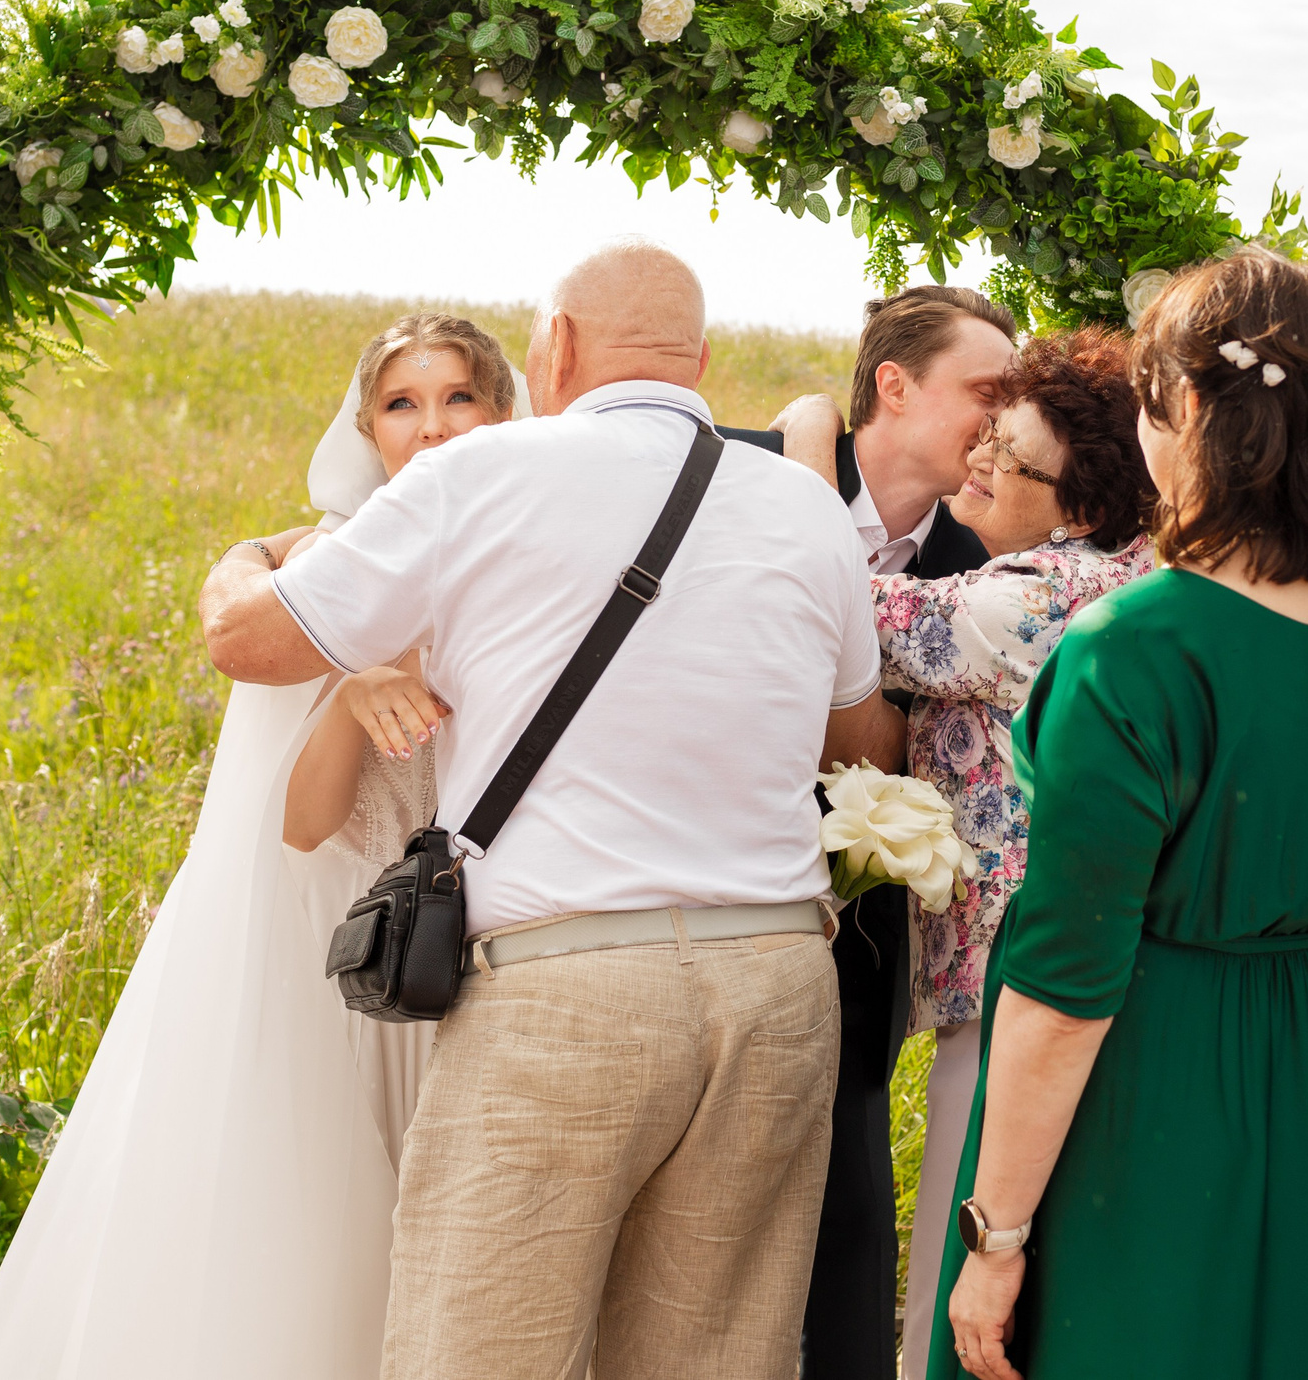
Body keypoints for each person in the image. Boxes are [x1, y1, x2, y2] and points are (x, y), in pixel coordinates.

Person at [200, 241, 889, 1380]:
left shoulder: (482, 475)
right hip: (778, 984)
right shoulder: (804, 509)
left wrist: (242, 557)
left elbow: (250, 643)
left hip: (569, 993)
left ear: (555, 348)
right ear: (701, 361)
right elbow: (859, 740)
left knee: (480, 1355)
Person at [929, 250, 1308, 1380]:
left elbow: (1065, 986)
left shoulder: (1130, 651)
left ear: (1183, 415)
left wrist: (999, 1235)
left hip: (1146, 1090)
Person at [0, 312, 525, 1380]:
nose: (434, 427)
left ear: (504, 412)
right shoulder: (320, 568)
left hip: (504, 952)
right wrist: (354, 692)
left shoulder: (536, 568)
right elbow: (303, 826)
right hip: (364, 955)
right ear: (367, 428)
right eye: (403, 404)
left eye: (461, 399)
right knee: (334, 1249)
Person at [776, 330, 1157, 1380]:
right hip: (1092, 988)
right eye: (986, 437)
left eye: (1013, 459)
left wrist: (813, 437)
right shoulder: (1143, 577)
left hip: (1011, 993)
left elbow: (832, 601)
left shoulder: (1028, 605)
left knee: (964, 1278)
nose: (979, 464)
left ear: (1085, 493)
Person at [725, 282, 1019, 1380]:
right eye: (981, 392)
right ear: (892, 386)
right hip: (693, 899)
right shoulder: (740, 473)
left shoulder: (985, 564)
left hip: (863, 942)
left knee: (847, 1196)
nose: (998, 424)